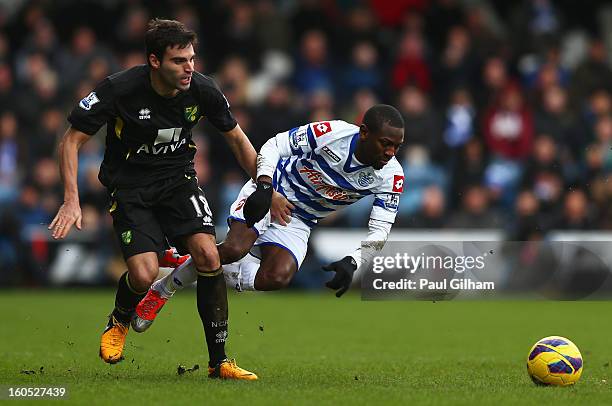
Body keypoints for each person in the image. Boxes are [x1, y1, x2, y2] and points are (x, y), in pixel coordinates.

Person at [48, 19, 267, 380]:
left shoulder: (203, 89)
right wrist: (71, 199)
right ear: (154, 61)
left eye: (192, 59)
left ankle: (220, 362)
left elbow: (238, 140)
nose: (189, 68)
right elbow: (71, 141)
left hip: (178, 181)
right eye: (179, 61)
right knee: (144, 273)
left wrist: (264, 183)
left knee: (209, 254)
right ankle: (119, 320)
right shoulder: (119, 89)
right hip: (131, 189)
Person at [132, 104, 405, 331]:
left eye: (397, 146)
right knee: (235, 249)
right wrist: (264, 186)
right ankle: (162, 290)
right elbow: (276, 145)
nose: (391, 152)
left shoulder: (391, 176)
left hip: (299, 219)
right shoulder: (332, 133)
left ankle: (186, 260)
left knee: (277, 277)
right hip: (272, 191)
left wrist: (354, 261)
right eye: (386, 144)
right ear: (365, 132)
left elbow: (380, 231)